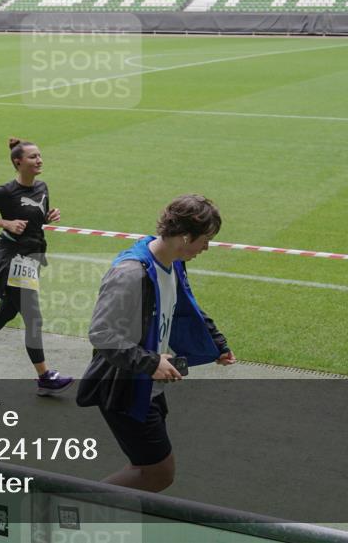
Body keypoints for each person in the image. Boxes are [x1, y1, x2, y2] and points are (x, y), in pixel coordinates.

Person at [76, 194, 236, 492]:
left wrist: (216, 342)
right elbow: (101, 334)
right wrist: (151, 362)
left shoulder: (172, 261)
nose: (207, 247)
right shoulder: (130, 273)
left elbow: (185, 304)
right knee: (158, 473)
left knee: (144, 465)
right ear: (185, 237)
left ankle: (102, 517)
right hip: (125, 387)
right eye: (205, 239)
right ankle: (71, 509)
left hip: (148, 383)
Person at [0, 138, 74, 396]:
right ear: (18, 162)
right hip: (13, 258)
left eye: (40, 155)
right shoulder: (5, 192)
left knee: (7, 311)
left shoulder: (42, 187)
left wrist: (46, 217)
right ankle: (44, 377)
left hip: (32, 256)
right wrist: (6, 224)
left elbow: (35, 220)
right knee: (33, 317)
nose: (39, 160)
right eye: (33, 157)